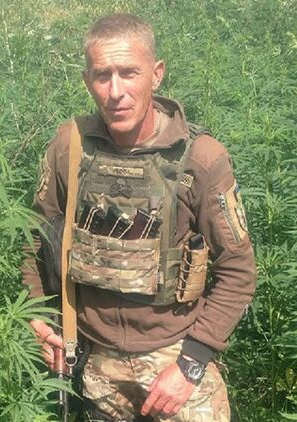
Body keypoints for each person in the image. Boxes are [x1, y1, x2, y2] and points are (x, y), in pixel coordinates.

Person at [21, 13, 256, 422]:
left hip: (176, 358)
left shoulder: (199, 158)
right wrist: (40, 319)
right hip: (94, 363)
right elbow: (36, 240)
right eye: (103, 75)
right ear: (87, 80)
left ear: (156, 74)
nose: (116, 92)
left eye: (129, 73)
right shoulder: (69, 147)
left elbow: (238, 271)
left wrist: (191, 364)